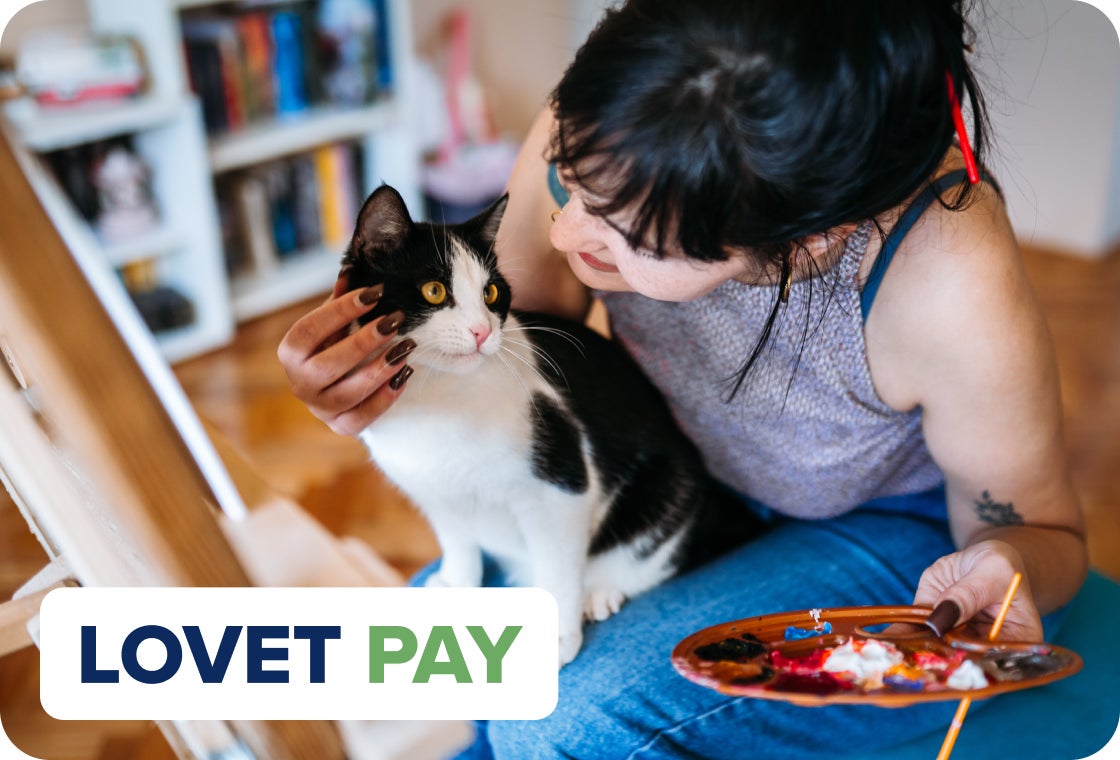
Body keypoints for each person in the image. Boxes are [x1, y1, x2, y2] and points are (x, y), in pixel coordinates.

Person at [277, 1, 1087, 756]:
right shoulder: (616, 120)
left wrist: (1004, 566)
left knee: (562, 722)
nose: (564, 229)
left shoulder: (945, 275)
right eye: (570, 177)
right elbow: (517, 356)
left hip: (881, 526)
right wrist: (376, 388)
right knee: (443, 633)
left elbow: (1046, 534)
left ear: (805, 247)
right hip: (672, 474)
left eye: (631, 236)